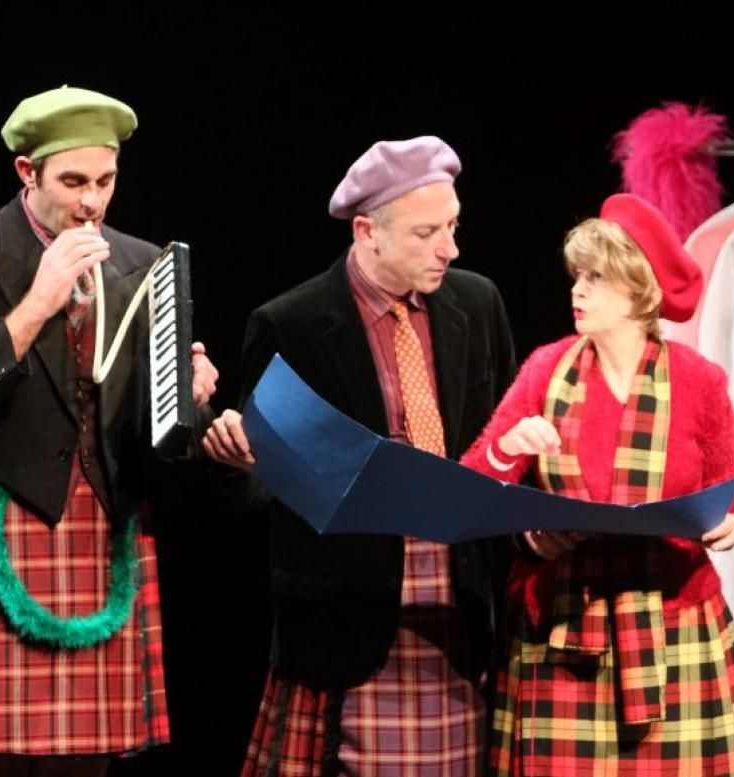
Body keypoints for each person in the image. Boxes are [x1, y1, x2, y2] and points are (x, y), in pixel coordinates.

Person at [0, 85, 219, 776]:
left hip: (99, 527)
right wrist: (35, 305)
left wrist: (190, 400)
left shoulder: (141, 261)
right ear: (26, 172)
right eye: (72, 182)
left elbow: (159, 435)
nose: (91, 201)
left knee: (85, 761)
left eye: (105, 180)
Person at [202, 136, 517, 776]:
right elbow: (261, 487)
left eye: (453, 227)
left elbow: (501, 438)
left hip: (456, 608)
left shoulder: (477, 303)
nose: (450, 249)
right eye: (427, 233)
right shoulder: (292, 323)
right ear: (367, 231)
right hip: (349, 615)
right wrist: (237, 459)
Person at [461, 192, 734, 777]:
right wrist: (509, 450)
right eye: (578, 276)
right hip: (566, 630)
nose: (578, 291)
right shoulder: (548, 369)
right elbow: (473, 489)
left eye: (596, 278)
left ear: (638, 288)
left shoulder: (698, 380)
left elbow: (731, 486)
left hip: (673, 629)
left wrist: (731, 519)